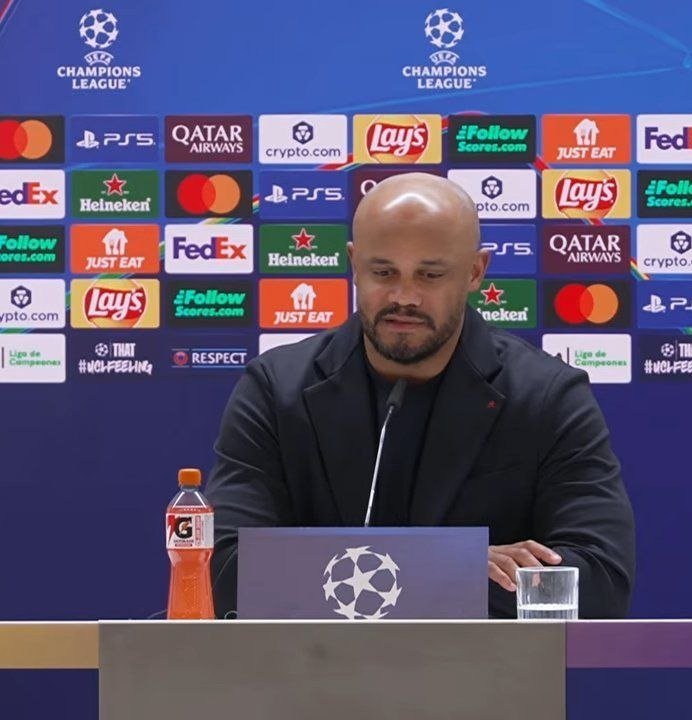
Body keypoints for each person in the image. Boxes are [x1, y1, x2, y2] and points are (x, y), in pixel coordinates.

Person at [206, 172, 636, 619]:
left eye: (430, 275)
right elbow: (223, 571)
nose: (404, 297)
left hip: (480, 666)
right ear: (353, 264)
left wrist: (356, 576)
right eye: (383, 272)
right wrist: (449, 568)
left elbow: (600, 584)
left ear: (475, 272)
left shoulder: (547, 397)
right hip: (312, 663)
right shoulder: (276, 390)